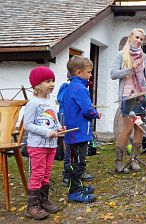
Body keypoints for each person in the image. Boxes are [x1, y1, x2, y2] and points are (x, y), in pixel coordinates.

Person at [111, 28, 146, 173]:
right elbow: (113, 74)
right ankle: (118, 162)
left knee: (139, 128)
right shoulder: (121, 55)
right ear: (130, 37)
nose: (139, 41)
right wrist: (130, 69)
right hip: (127, 96)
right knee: (128, 128)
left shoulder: (145, 57)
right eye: (137, 37)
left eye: (141, 39)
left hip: (141, 96)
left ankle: (134, 160)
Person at [24, 66, 62, 220]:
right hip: (37, 145)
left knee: (46, 174)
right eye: (48, 81)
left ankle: (43, 201)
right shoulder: (33, 103)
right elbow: (27, 125)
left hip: (51, 145)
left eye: (53, 80)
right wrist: (47, 132)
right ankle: (31, 206)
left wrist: (59, 127)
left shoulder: (50, 101)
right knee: (38, 174)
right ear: (37, 85)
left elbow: (54, 118)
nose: (52, 84)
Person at [63, 55, 101, 203]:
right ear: (79, 72)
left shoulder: (70, 87)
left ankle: (77, 186)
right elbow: (87, 110)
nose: (91, 75)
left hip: (73, 133)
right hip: (78, 133)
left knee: (77, 161)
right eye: (89, 72)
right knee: (78, 163)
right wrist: (96, 113)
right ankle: (74, 192)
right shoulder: (80, 88)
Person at [57, 73, 94, 187]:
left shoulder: (79, 87)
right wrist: (93, 113)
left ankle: (79, 173)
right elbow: (64, 105)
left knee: (81, 151)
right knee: (70, 151)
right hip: (69, 123)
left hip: (78, 124)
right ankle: (68, 176)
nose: (90, 75)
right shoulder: (69, 88)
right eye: (88, 72)